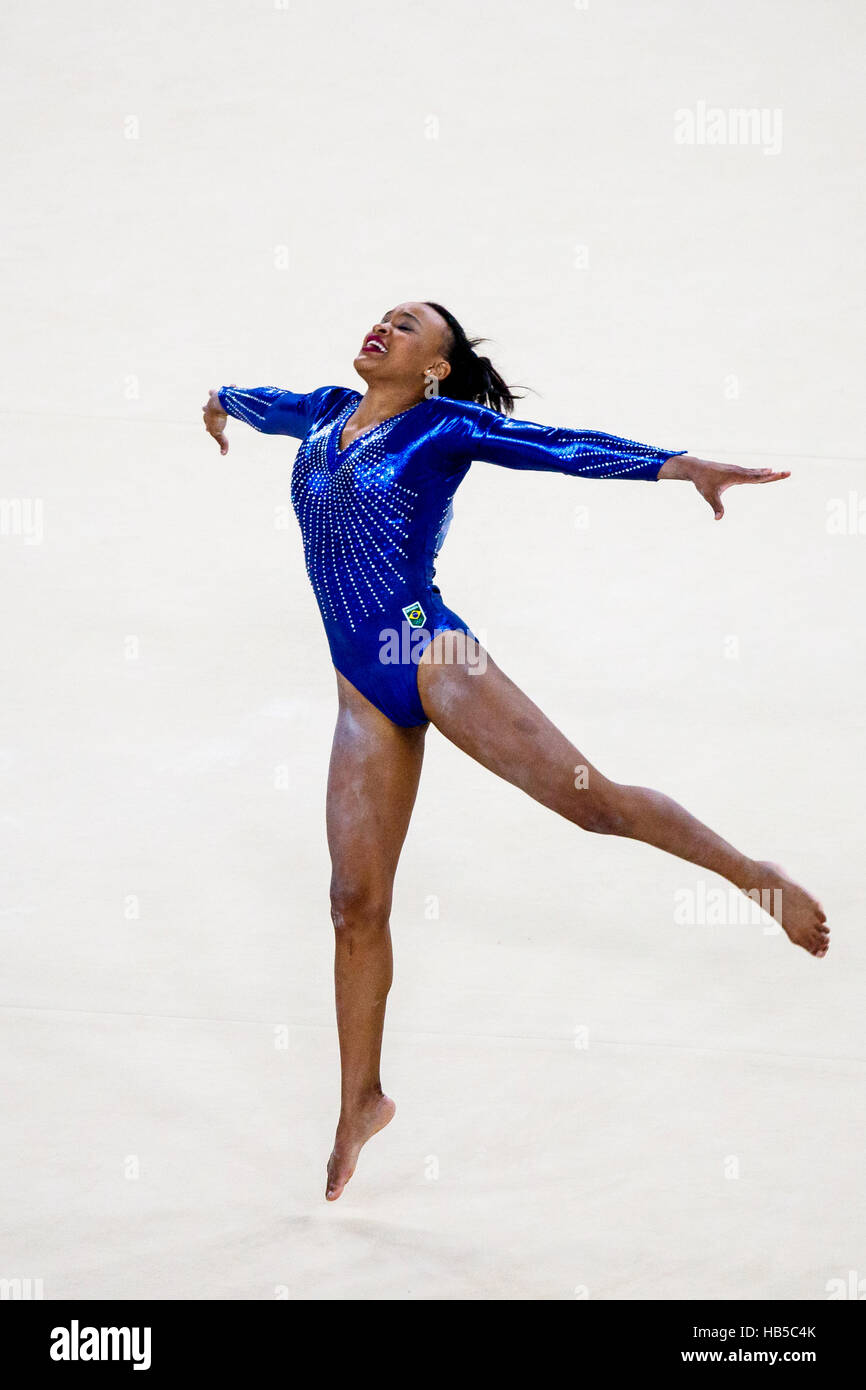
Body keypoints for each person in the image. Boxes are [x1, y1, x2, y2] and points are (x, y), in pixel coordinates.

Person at [203, 300, 828, 1201]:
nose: (384, 327)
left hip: (429, 652)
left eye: (410, 327)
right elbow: (263, 402)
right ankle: (361, 1101)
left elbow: (561, 447)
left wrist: (677, 465)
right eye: (383, 316)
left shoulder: (443, 427)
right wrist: (222, 400)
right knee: (353, 903)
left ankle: (753, 874)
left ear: (436, 370)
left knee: (593, 804)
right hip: (358, 689)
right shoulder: (322, 411)